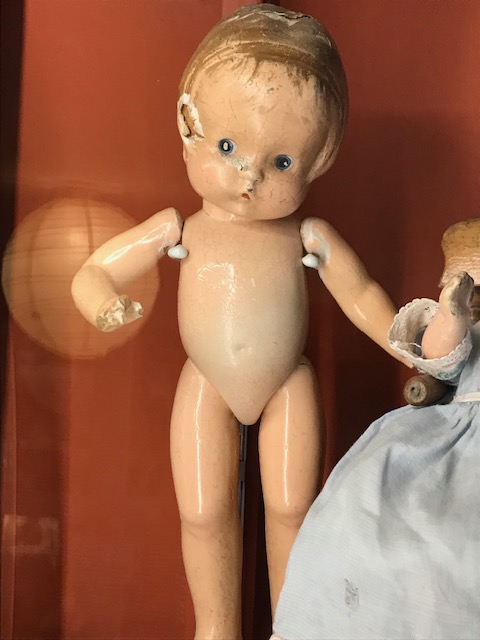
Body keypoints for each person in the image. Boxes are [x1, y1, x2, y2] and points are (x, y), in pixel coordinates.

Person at [71, 5, 408, 638]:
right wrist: (101, 301)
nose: (249, 176)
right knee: (203, 514)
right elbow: (94, 270)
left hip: (286, 384)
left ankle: (295, 625)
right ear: (188, 125)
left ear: (318, 162)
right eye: (228, 147)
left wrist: (407, 343)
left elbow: (360, 293)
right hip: (206, 381)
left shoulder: (307, 235)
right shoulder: (178, 228)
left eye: (281, 163)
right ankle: (215, 628)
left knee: (293, 507)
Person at [272, 267, 480, 640]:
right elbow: (443, 361)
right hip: (451, 436)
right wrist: (453, 318)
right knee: (366, 507)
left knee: (456, 547)